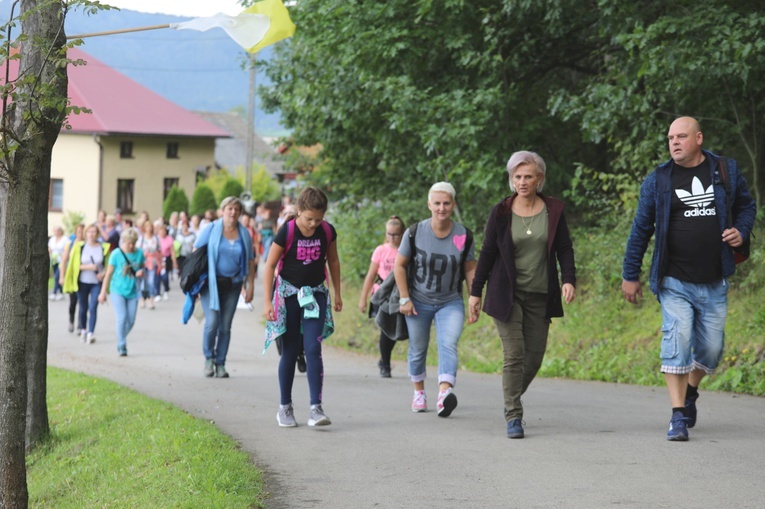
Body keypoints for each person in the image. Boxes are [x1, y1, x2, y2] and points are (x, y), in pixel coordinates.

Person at [622, 116, 756, 442]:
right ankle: (678, 415)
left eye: (681, 136)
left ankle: (691, 390)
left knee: (711, 349)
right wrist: (630, 274)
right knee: (678, 336)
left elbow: (746, 206)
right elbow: (641, 229)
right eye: (670, 138)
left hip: (714, 277)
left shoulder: (725, 170)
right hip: (674, 279)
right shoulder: (658, 180)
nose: (674, 142)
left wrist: (742, 230)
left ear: (698, 138)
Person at [468, 151, 576, 439]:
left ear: (539, 178)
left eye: (528, 176)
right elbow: (488, 253)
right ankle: (513, 414)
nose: (523, 181)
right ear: (511, 179)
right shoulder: (501, 212)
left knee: (534, 357)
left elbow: (564, 248)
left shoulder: (552, 210)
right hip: (507, 294)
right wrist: (475, 292)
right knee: (514, 355)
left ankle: (510, 393)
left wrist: (568, 279)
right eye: (517, 176)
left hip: (541, 294)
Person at [393, 182, 476, 417]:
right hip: (418, 301)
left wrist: (474, 298)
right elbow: (399, 266)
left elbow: (470, 268)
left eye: (446, 203)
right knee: (418, 349)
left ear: (453, 205)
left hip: (450, 301)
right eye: (437, 203)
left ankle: (443, 393)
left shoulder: (462, 235)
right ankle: (419, 392)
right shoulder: (415, 232)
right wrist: (404, 298)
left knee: (448, 344)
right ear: (429, 204)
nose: (442, 208)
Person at [264, 187, 342, 428]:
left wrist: (337, 292)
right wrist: (267, 301)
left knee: (313, 347)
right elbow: (269, 266)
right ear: (299, 211)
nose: (313, 224)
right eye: (309, 219)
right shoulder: (286, 231)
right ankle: (284, 407)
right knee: (289, 350)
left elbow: (334, 261)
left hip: (315, 294)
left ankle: (316, 409)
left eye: (318, 219)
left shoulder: (327, 231)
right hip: (288, 294)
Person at [194, 196, 256, 378]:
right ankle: (208, 358)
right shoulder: (211, 229)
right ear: (222, 210)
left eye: (237, 209)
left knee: (226, 326)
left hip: (234, 285)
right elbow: (196, 254)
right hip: (210, 284)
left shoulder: (244, 233)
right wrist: (194, 283)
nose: (233, 212)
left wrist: (250, 285)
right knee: (212, 323)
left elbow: (251, 261)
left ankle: (220, 363)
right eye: (229, 208)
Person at [359, 215, 407, 377]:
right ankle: (385, 364)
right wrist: (363, 299)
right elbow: (371, 275)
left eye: (396, 234)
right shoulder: (380, 250)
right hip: (381, 294)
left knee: (394, 329)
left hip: (399, 294)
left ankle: (384, 359)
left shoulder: (406, 250)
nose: (392, 238)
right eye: (389, 234)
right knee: (386, 329)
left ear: (403, 233)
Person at [98, 229, 146, 356]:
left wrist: (140, 272)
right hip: (117, 290)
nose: (131, 246)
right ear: (124, 241)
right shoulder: (116, 254)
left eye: (133, 243)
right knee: (122, 317)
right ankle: (122, 344)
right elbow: (108, 274)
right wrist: (103, 292)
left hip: (133, 290)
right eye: (128, 243)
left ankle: (120, 337)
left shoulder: (139, 253)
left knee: (131, 321)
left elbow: (141, 268)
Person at [62, 224, 109, 344]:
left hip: (96, 283)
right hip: (82, 282)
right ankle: (83, 329)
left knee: (93, 307)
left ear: (97, 233)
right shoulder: (79, 247)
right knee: (83, 308)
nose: (91, 234)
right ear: (85, 233)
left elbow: (107, 266)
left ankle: (91, 333)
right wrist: (87, 267)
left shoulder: (103, 247)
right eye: (89, 232)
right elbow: (73, 265)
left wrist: (103, 274)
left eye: (94, 232)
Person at [59, 224, 85, 333]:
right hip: (72, 276)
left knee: (83, 303)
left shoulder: (87, 244)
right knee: (73, 302)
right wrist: (62, 276)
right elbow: (64, 260)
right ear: (76, 232)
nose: (81, 234)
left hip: (83, 276)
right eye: (79, 232)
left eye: (83, 232)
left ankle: (80, 324)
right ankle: (71, 321)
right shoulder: (70, 244)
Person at [156, 223, 178, 301]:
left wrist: (174, 262)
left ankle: (166, 290)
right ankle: (158, 293)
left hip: (166, 259)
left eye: (163, 231)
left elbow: (172, 251)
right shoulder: (156, 239)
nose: (162, 232)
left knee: (165, 276)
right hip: (158, 259)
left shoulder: (169, 238)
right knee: (158, 277)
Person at [48, 226, 68, 300]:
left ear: (60, 231)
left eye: (57, 231)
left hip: (62, 260)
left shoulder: (65, 239)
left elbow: (67, 249)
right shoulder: (52, 239)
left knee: (57, 276)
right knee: (57, 276)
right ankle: (61, 292)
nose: (56, 232)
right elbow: (49, 248)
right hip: (54, 260)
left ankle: (54, 292)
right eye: (55, 231)